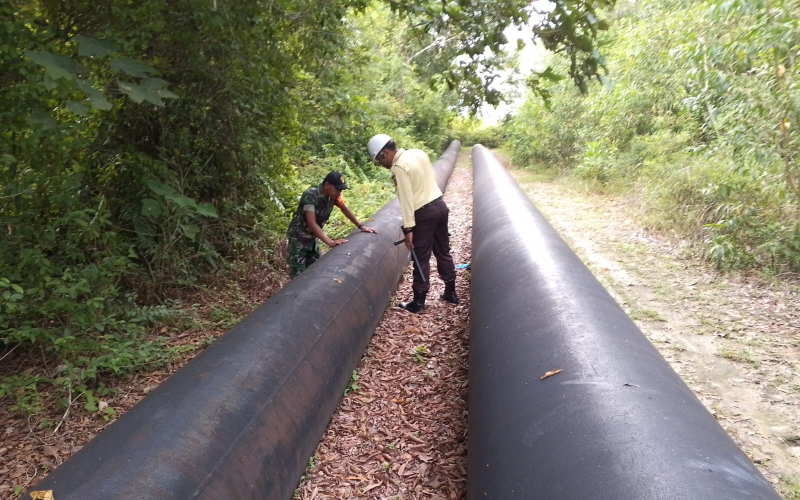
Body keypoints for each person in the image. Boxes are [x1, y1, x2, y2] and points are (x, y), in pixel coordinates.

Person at [367, 134, 458, 312]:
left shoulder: (399, 167)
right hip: (440, 206)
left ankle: (418, 302)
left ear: (385, 153)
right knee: (443, 251)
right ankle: (451, 292)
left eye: (379, 160)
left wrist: (408, 229)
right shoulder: (417, 153)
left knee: (420, 257)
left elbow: (407, 200)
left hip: (424, 213)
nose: (381, 164)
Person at [286, 170, 377, 278]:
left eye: (340, 190)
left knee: (313, 270)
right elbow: (311, 222)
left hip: (313, 238)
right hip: (298, 238)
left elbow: (344, 209)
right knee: (298, 274)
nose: (339, 192)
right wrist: (330, 242)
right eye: (337, 189)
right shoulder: (311, 194)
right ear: (327, 185)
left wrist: (361, 226)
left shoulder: (333, 197)